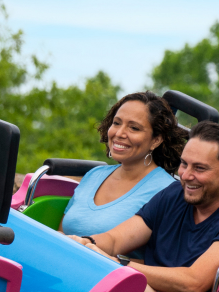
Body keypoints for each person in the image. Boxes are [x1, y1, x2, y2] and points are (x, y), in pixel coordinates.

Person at [69, 121, 219, 292]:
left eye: (200, 168)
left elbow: (193, 282)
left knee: (127, 285)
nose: (186, 175)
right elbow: (117, 238)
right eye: (184, 164)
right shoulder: (174, 195)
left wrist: (118, 266)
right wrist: (87, 243)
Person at [59, 92, 186, 249]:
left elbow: (160, 262)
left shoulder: (168, 191)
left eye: (134, 128)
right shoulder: (94, 175)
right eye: (117, 123)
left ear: (156, 140)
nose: (119, 133)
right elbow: (61, 232)